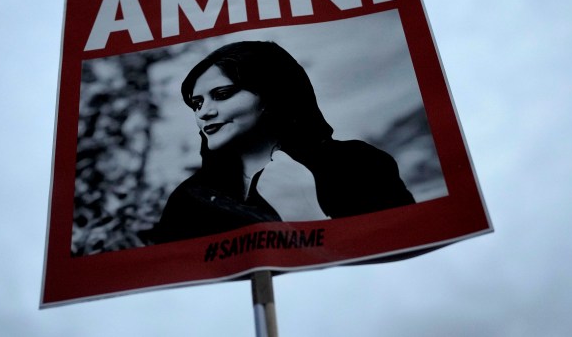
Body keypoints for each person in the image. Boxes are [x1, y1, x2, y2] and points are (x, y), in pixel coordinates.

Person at [147, 41, 415, 244]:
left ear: (270, 93)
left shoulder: (359, 163)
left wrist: (309, 217)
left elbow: (402, 250)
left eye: (223, 94)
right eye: (197, 103)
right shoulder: (190, 199)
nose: (204, 112)